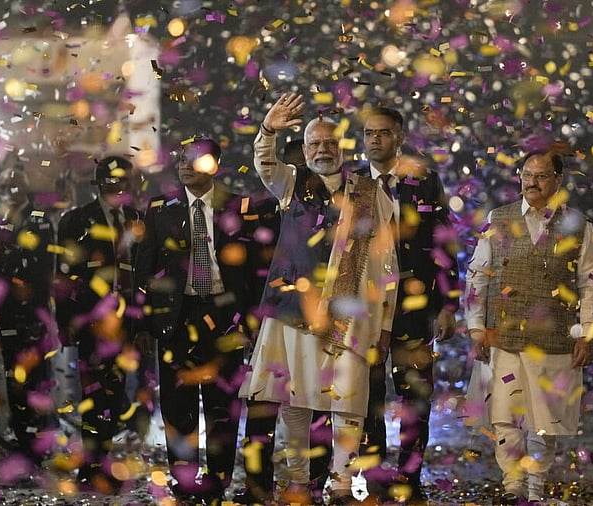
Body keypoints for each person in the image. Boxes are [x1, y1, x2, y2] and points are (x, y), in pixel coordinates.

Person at [242, 92, 397, 504]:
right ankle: (298, 483)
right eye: (315, 144)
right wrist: (268, 129)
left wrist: (385, 324)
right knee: (295, 400)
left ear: (343, 148)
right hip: (294, 312)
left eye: (330, 143)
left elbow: (387, 261)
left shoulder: (369, 192)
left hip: (352, 315)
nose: (323, 150)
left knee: (348, 400)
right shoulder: (291, 184)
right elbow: (265, 163)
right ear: (305, 149)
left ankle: (342, 483)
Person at [134, 137, 277, 504]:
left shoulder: (240, 207)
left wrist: (252, 319)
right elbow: (144, 269)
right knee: (177, 405)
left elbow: (255, 269)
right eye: (181, 159)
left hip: (224, 314)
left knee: (222, 406)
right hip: (177, 316)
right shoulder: (160, 209)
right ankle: (184, 481)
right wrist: (145, 323)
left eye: (194, 160)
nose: (184, 165)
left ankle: (217, 480)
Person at [464, 150, 593, 504]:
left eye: (541, 176)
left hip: (555, 337)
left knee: (545, 419)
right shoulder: (499, 218)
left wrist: (588, 333)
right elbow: (477, 276)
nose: (532, 182)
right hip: (504, 334)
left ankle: (536, 487)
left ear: (558, 180)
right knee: (505, 416)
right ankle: (512, 484)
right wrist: (476, 327)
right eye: (527, 174)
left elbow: (590, 284)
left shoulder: (578, 225)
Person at [359, 106, 459, 503]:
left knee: (414, 395)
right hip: (365, 307)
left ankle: (410, 479)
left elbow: (444, 242)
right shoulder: (352, 184)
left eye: (383, 133)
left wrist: (449, 303)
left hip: (415, 304)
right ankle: (373, 477)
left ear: (399, 136)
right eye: (369, 134)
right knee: (366, 395)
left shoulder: (424, 181)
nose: (375, 140)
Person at [55, 155, 143, 493]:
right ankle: (92, 467)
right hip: (92, 323)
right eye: (111, 180)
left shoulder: (137, 219)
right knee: (93, 396)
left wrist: (144, 325)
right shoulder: (76, 221)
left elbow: (146, 273)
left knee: (118, 395)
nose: (118, 186)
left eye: (123, 180)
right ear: (100, 183)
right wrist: (67, 323)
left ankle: (104, 461)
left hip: (129, 323)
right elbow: (62, 278)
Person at [0, 166, 57, 470]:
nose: (10, 187)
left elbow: (37, 269)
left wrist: (1, 254)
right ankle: (28, 444)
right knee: (15, 381)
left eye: (16, 182)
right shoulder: (1, 220)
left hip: (31, 316)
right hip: (6, 316)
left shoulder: (39, 220)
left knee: (33, 381)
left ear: (26, 186)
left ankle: (33, 448)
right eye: (6, 182)